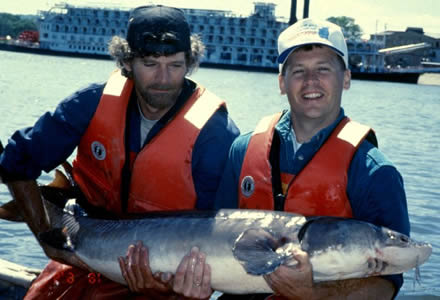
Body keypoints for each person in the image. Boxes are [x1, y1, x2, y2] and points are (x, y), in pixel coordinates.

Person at [0, 5, 239, 299]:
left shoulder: (216, 134)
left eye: (175, 65)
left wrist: (175, 286)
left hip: (166, 276)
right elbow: (15, 161)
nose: (163, 78)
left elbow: (217, 235)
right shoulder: (90, 102)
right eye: (151, 64)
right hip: (83, 248)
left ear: (190, 62)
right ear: (127, 62)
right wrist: (45, 238)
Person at [214, 18, 410, 299]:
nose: (311, 82)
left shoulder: (376, 172)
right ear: (282, 82)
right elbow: (212, 239)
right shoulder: (241, 150)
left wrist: (316, 294)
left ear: (346, 78)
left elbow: (386, 285)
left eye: (323, 69)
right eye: (298, 71)